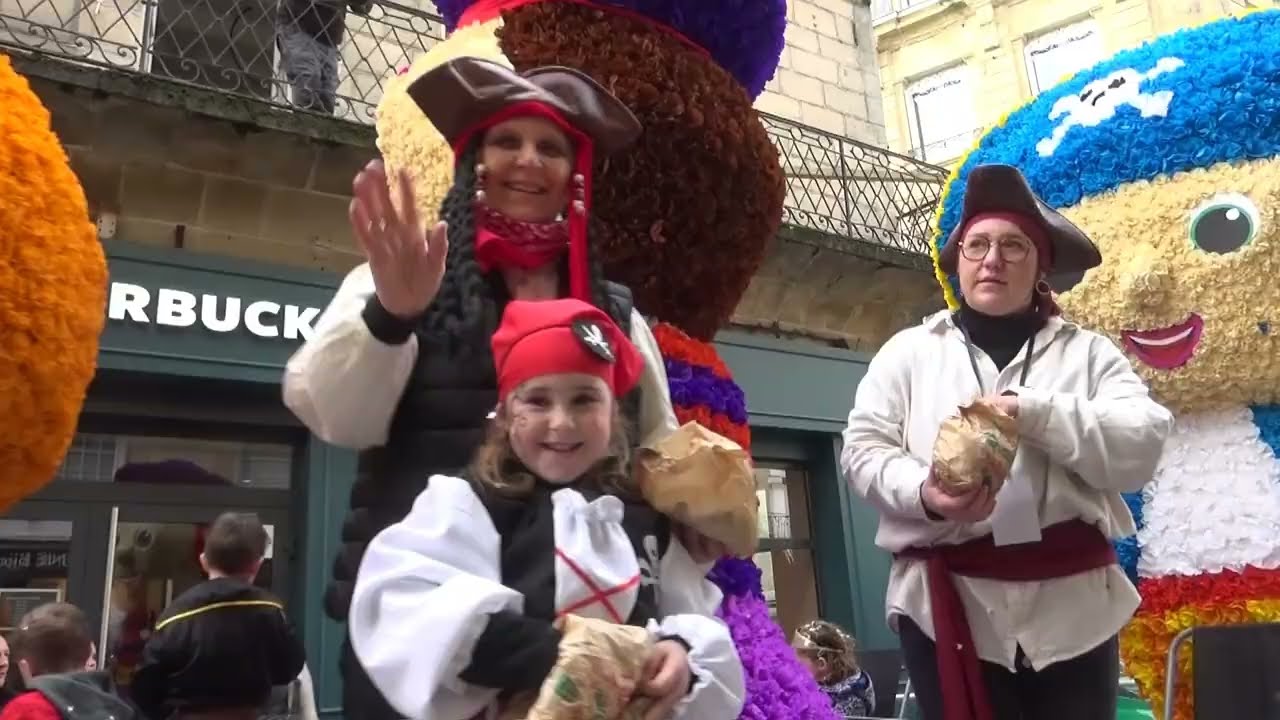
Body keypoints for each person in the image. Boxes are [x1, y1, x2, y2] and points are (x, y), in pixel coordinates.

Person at [283, 56, 726, 720]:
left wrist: (697, 522)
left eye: (550, 147)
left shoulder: (618, 313)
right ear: (476, 160)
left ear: (574, 173)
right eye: (507, 141)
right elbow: (335, 417)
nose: (528, 160)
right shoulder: (402, 277)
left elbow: (652, 455)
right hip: (425, 649)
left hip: (590, 646)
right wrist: (392, 317)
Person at [841, 164, 1173, 720]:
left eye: (1013, 246)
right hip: (947, 605)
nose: (992, 259)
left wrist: (1033, 412)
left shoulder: (1088, 354)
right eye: (977, 245)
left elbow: (1143, 442)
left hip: (1073, 609)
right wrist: (925, 494)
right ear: (959, 263)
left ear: (1040, 265)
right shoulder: (908, 352)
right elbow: (863, 451)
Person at [348, 297, 745, 720]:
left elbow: (695, 620)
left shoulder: (642, 517)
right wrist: (571, 655)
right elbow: (412, 613)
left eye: (584, 400)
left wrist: (679, 655)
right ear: (503, 415)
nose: (561, 422)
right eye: (537, 401)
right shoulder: (471, 504)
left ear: (613, 413)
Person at [130, 512, 306, 720]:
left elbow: (145, 687)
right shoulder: (271, 610)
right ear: (257, 565)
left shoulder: (175, 616)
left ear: (203, 561)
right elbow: (290, 667)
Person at [0, 603, 135, 720]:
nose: (3, 663)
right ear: (87, 656)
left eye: (6, 654)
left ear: (25, 666)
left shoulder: (26, 710)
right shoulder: (117, 708)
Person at [276, 0, 371, 115]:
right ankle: (304, 126)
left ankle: (313, 127)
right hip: (298, 26)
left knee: (326, 98)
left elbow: (362, 8)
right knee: (308, 82)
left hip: (329, 39)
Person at [792, 621, 875, 718]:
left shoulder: (851, 695)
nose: (792, 668)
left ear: (821, 664)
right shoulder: (820, 682)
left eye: (798, 665)